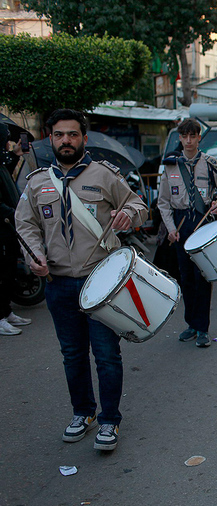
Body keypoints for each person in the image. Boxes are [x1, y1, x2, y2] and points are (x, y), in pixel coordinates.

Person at [15, 108, 148, 450]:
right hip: (59, 284)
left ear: (83, 139)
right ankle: (83, 413)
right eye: (59, 135)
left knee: (106, 356)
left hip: (101, 284)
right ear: (50, 139)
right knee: (72, 355)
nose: (66, 141)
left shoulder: (104, 176)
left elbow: (139, 206)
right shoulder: (37, 182)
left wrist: (127, 215)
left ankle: (109, 421)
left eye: (72, 134)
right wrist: (35, 255)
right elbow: (25, 223)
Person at [157, 118, 217, 348]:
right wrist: (170, 229)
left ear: (199, 137)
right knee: (186, 277)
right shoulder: (170, 166)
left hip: (203, 222)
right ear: (180, 138)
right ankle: (190, 323)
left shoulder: (210, 163)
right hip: (181, 224)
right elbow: (163, 202)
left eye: (193, 136)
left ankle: (202, 328)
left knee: (203, 277)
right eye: (184, 136)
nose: (188, 141)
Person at [0, 124, 31, 335]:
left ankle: (6, 310)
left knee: (10, 270)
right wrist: (12, 212)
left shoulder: (1, 161)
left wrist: (16, 155)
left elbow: (6, 172)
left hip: (9, 227)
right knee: (1, 273)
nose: (8, 143)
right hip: (3, 225)